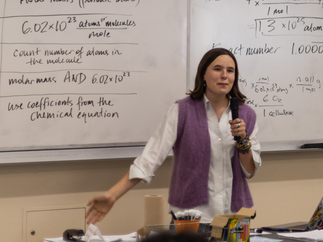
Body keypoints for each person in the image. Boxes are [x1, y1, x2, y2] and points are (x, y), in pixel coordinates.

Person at [86, 48, 261, 232]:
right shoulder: (182, 111)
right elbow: (149, 159)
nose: (224, 75)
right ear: (203, 74)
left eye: (230, 71)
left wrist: (243, 140)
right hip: (192, 222)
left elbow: (250, 171)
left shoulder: (246, 114)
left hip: (234, 222)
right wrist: (112, 195)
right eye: (217, 69)